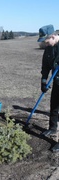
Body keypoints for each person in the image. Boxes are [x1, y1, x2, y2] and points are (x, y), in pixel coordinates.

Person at [38, 24, 59, 152]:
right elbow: (45, 66)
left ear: (52, 36)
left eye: (46, 41)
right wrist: (43, 81)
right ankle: (52, 128)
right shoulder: (48, 49)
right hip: (56, 82)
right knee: (54, 106)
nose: (45, 44)